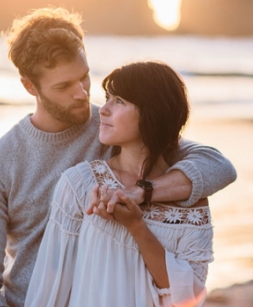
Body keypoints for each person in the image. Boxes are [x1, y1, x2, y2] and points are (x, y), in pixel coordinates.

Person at [0, 7, 236, 307]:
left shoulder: (115, 128)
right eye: (64, 86)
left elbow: (217, 166)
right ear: (30, 86)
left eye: (85, 77)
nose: (82, 94)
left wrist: (141, 192)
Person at [25, 61, 222, 307]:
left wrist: (137, 227)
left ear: (153, 112)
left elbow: (188, 296)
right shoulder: (81, 184)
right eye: (107, 98)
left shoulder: (190, 197)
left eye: (119, 101)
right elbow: (52, 285)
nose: (103, 110)